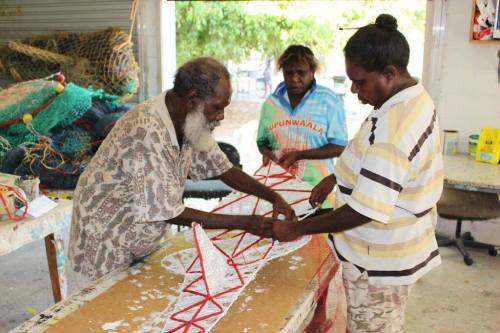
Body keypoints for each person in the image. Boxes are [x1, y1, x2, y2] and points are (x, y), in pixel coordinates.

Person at [273, 14, 443, 333]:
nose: (353, 89)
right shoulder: (410, 97)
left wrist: (299, 227)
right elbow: (369, 157)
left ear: (389, 74)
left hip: (378, 261)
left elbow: (363, 210)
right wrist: (335, 177)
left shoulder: (394, 130)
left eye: (359, 81)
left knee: (371, 326)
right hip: (393, 245)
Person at [69, 57, 294, 281]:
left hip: (140, 239)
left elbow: (223, 168)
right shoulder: (147, 130)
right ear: (192, 98)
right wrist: (244, 222)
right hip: (104, 243)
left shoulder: (189, 119)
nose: (221, 116)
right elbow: (169, 211)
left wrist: (273, 197)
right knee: (103, 310)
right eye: (217, 108)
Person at [256, 45, 348, 209]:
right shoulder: (271, 103)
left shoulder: (329, 101)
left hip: (319, 192)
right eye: (289, 73)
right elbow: (262, 142)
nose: (294, 78)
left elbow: (339, 146)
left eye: (301, 72)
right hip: (280, 193)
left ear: (312, 72)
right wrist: (267, 153)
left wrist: (300, 155)